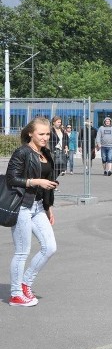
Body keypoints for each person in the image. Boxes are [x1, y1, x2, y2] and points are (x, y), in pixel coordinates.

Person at [5, 117, 59, 306]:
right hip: (22, 206)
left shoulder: (45, 152)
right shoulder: (22, 152)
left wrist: (48, 206)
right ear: (30, 133)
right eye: (41, 134)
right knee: (22, 252)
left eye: (47, 134)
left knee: (50, 247)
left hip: (38, 207)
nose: (45, 137)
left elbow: (48, 181)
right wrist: (35, 182)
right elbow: (11, 179)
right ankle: (16, 294)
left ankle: (25, 284)